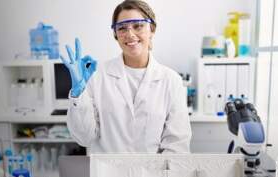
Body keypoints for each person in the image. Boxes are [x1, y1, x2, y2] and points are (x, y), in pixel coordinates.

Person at [62, 0, 191, 153]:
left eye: (138, 26)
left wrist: (158, 175)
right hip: (106, 174)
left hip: (152, 175)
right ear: (116, 34)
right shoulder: (98, 77)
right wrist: (79, 93)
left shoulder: (171, 80)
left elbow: (177, 145)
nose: (130, 34)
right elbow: (84, 138)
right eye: (122, 28)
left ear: (152, 29)